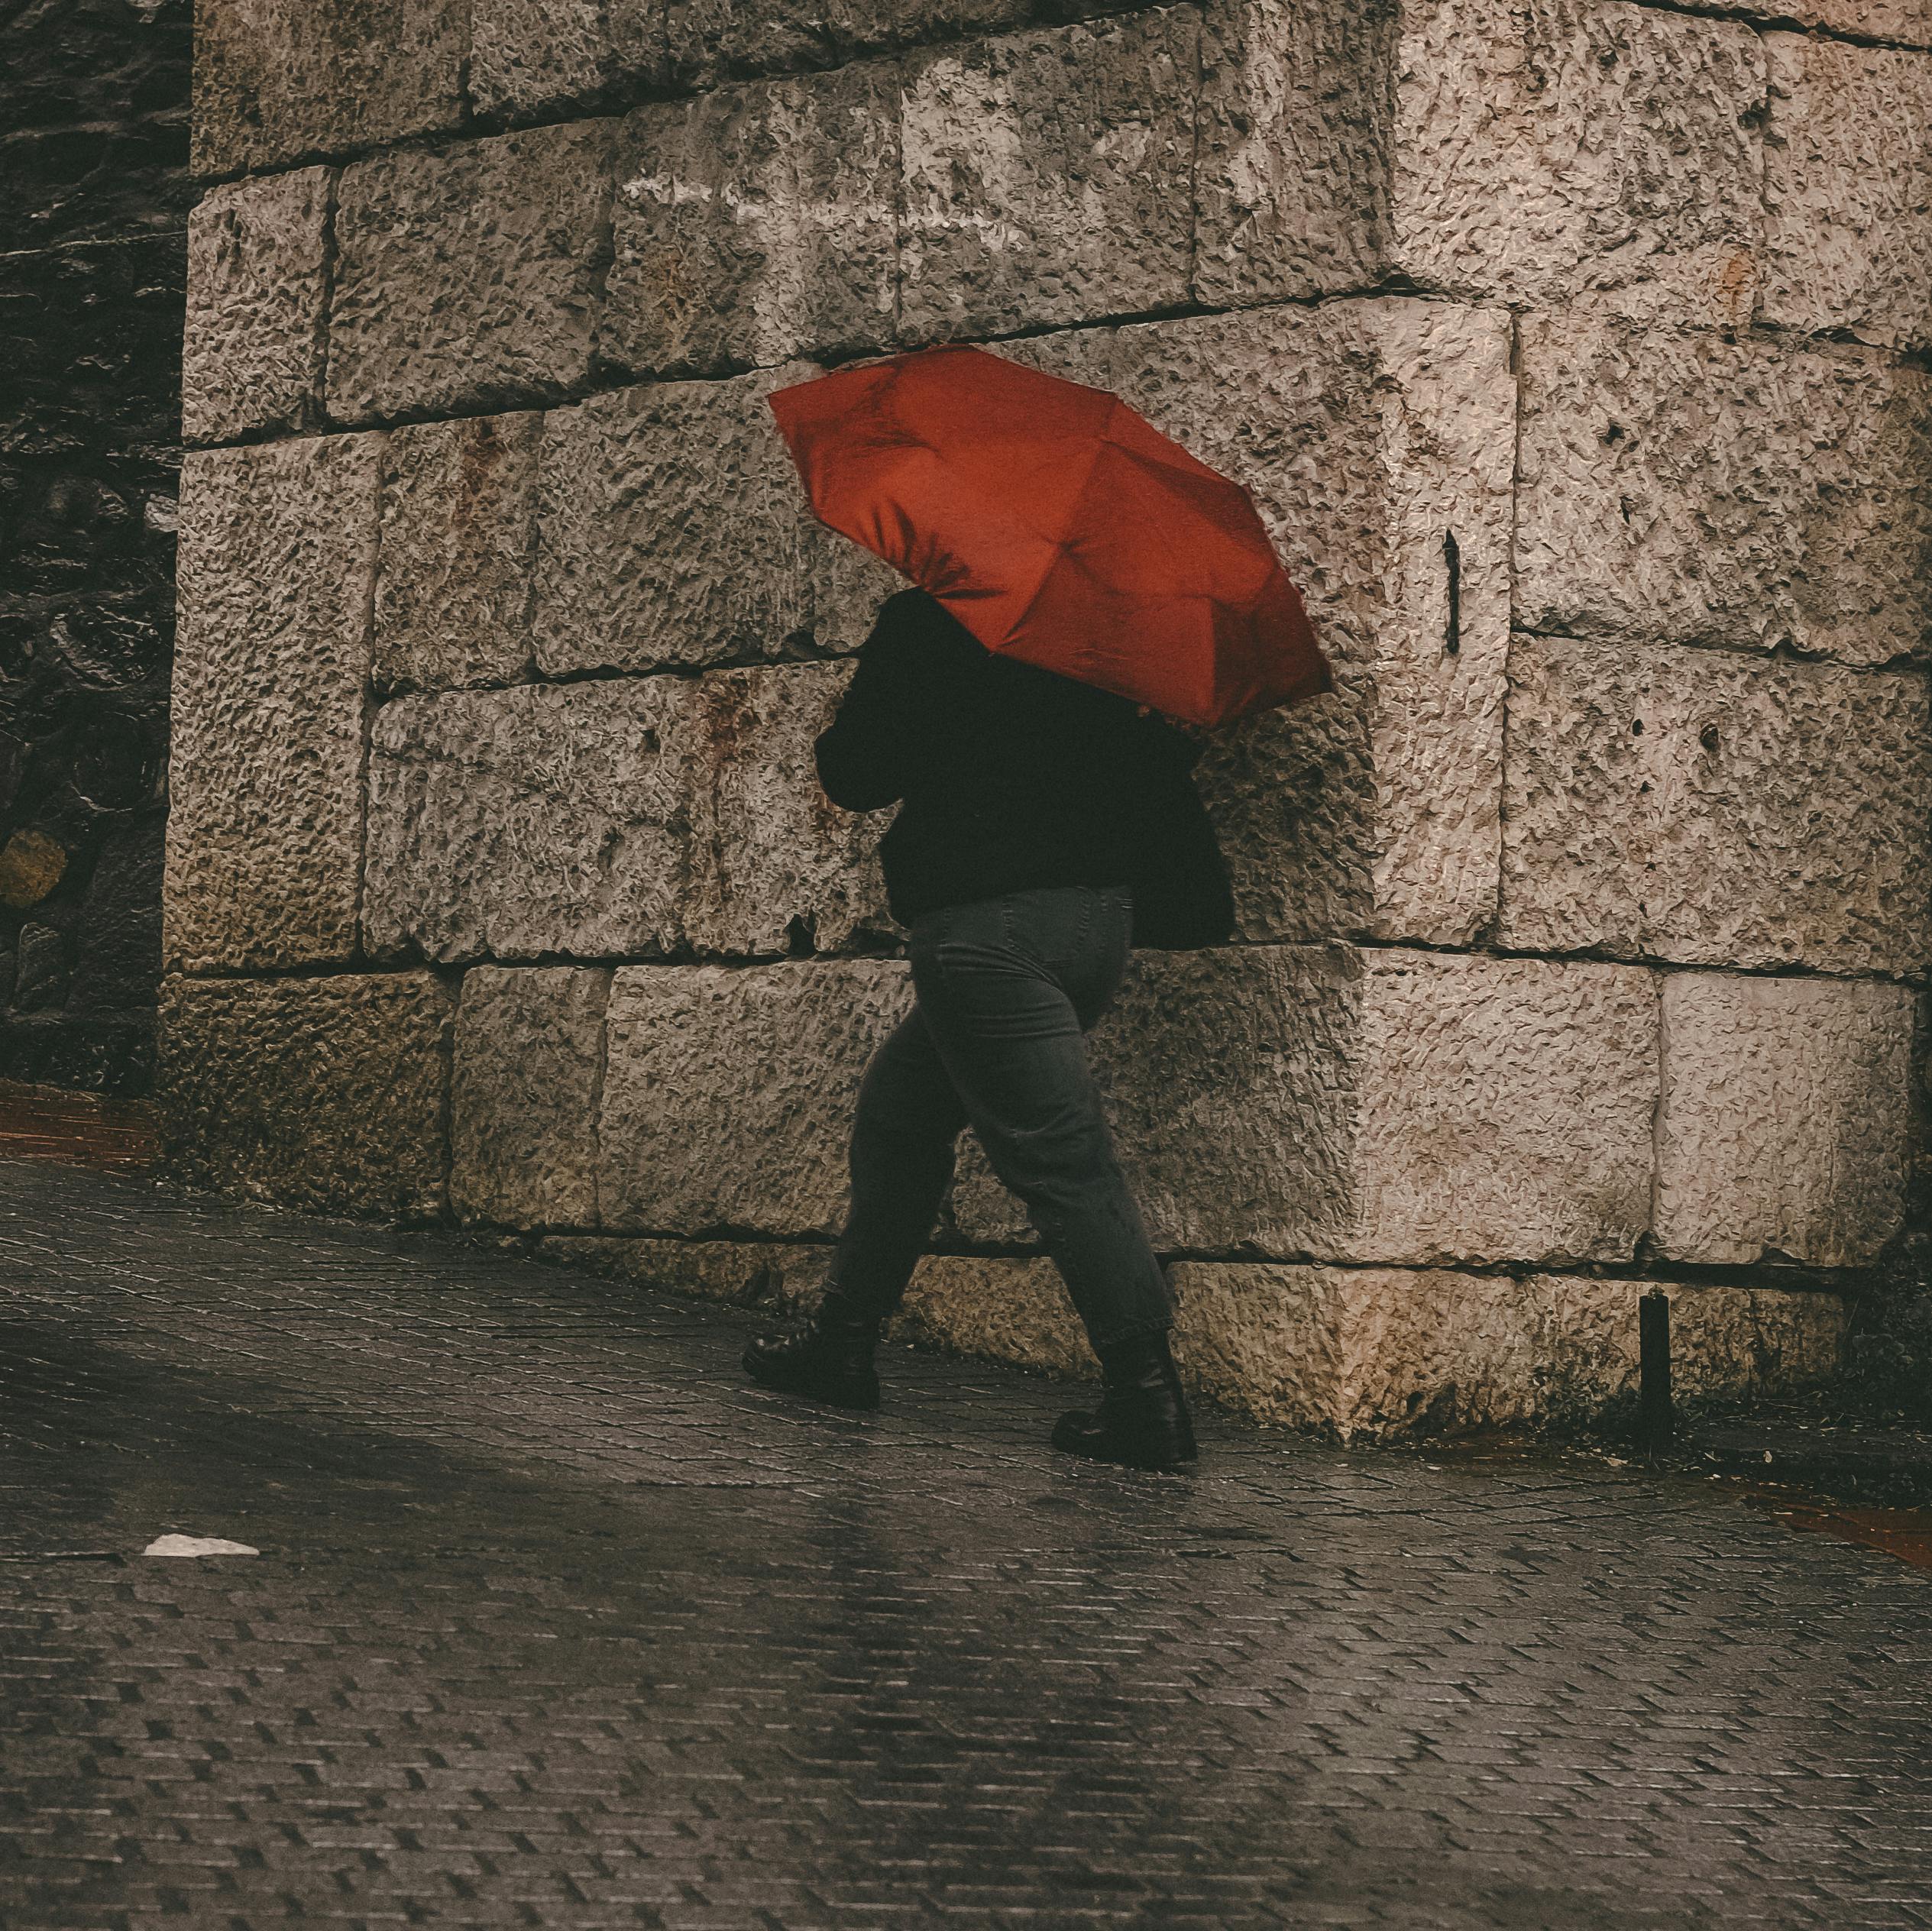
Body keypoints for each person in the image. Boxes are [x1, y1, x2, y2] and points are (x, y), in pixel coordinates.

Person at [742, 588, 1235, 1471]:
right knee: (902, 1113)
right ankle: (842, 1340)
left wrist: (866, 694)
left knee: (1059, 1156)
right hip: (1095, 925)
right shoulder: (1096, 624)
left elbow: (855, 772)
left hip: (988, 932)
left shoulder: (933, 618)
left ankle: (1148, 1400)